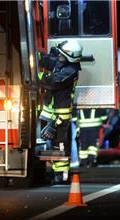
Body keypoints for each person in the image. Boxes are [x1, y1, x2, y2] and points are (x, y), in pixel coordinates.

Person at [37, 39, 83, 183]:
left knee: (59, 145)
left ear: (69, 57)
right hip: (49, 112)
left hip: (59, 117)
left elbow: (52, 82)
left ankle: (61, 175)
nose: (59, 57)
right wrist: (36, 55)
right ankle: (54, 171)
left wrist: (35, 77)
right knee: (47, 145)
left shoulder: (70, 71)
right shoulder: (63, 64)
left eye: (62, 55)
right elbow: (49, 61)